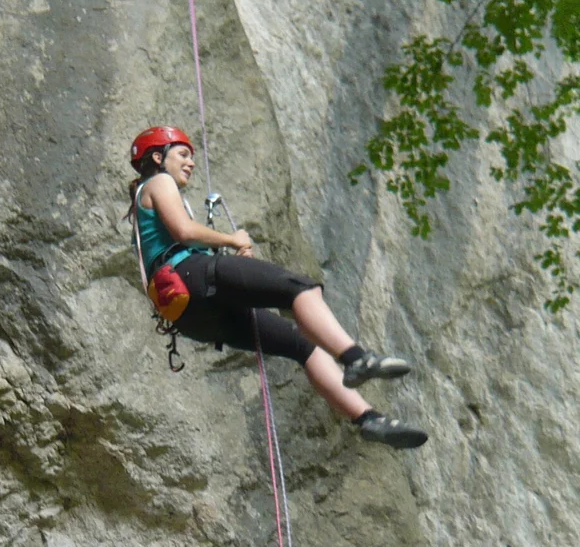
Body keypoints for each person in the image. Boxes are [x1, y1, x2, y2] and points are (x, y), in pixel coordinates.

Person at [128, 127, 428, 448]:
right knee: (299, 288)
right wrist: (233, 239)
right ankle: (356, 358)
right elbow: (185, 232)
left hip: (189, 315)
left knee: (303, 346)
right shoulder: (160, 182)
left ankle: (369, 419)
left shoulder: (143, 203)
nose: (191, 163)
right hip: (191, 275)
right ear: (158, 157)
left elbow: (174, 240)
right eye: (183, 154)